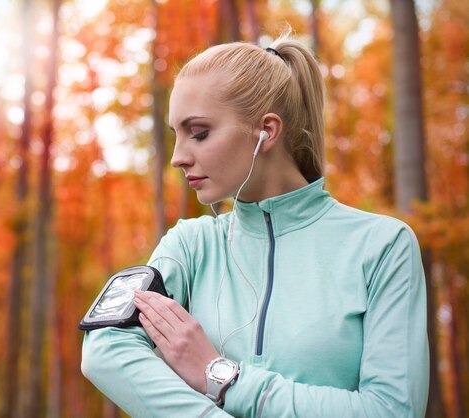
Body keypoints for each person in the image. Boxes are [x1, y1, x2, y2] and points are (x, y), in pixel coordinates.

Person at [81, 31, 429, 417]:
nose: (178, 157)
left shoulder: (382, 245)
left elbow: (393, 410)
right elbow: (106, 348)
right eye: (175, 135)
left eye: (199, 133)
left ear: (267, 131)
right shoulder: (190, 245)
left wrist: (223, 378)